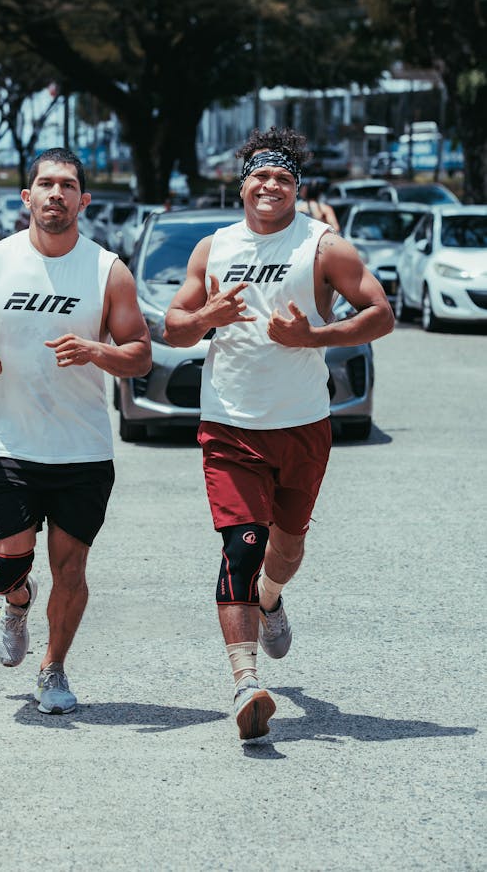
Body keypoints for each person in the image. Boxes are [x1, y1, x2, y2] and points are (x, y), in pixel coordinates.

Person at [164, 127, 394, 741]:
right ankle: (246, 683)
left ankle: (271, 597)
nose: (271, 186)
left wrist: (312, 337)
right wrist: (206, 319)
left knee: (285, 549)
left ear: (297, 188)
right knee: (240, 543)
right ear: (242, 184)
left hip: (301, 425)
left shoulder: (324, 246)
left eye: (283, 179)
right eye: (261, 177)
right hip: (230, 423)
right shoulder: (211, 248)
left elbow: (381, 313)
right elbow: (173, 328)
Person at [0, 147, 151, 715]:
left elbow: (140, 356)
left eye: (68, 185)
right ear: (27, 197)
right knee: (3, 567)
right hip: (9, 443)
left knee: (72, 568)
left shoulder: (108, 269)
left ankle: (53, 669)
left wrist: (96, 350)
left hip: (82, 450)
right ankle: (16, 602)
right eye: (46, 184)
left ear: (84, 200)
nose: (56, 194)